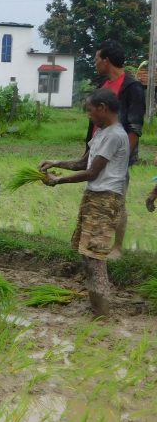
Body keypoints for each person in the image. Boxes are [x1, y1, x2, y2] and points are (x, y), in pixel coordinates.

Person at [39, 88, 130, 317]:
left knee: (95, 258)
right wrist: (56, 162)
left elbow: (92, 173)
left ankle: (103, 314)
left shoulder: (114, 135)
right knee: (87, 253)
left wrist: (57, 181)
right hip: (94, 198)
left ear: (102, 108)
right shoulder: (102, 132)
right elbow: (83, 163)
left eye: (90, 111)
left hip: (105, 199)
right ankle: (97, 307)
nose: (89, 115)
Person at [90, 40, 146, 258]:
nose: (95, 63)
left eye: (97, 59)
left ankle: (117, 247)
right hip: (99, 150)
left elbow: (135, 127)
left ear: (106, 61)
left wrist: (122, 159)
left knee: (117, 199)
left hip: (119, 155)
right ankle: (97, 240)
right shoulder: (103, 88)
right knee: (97, 197)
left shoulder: (131, 88)